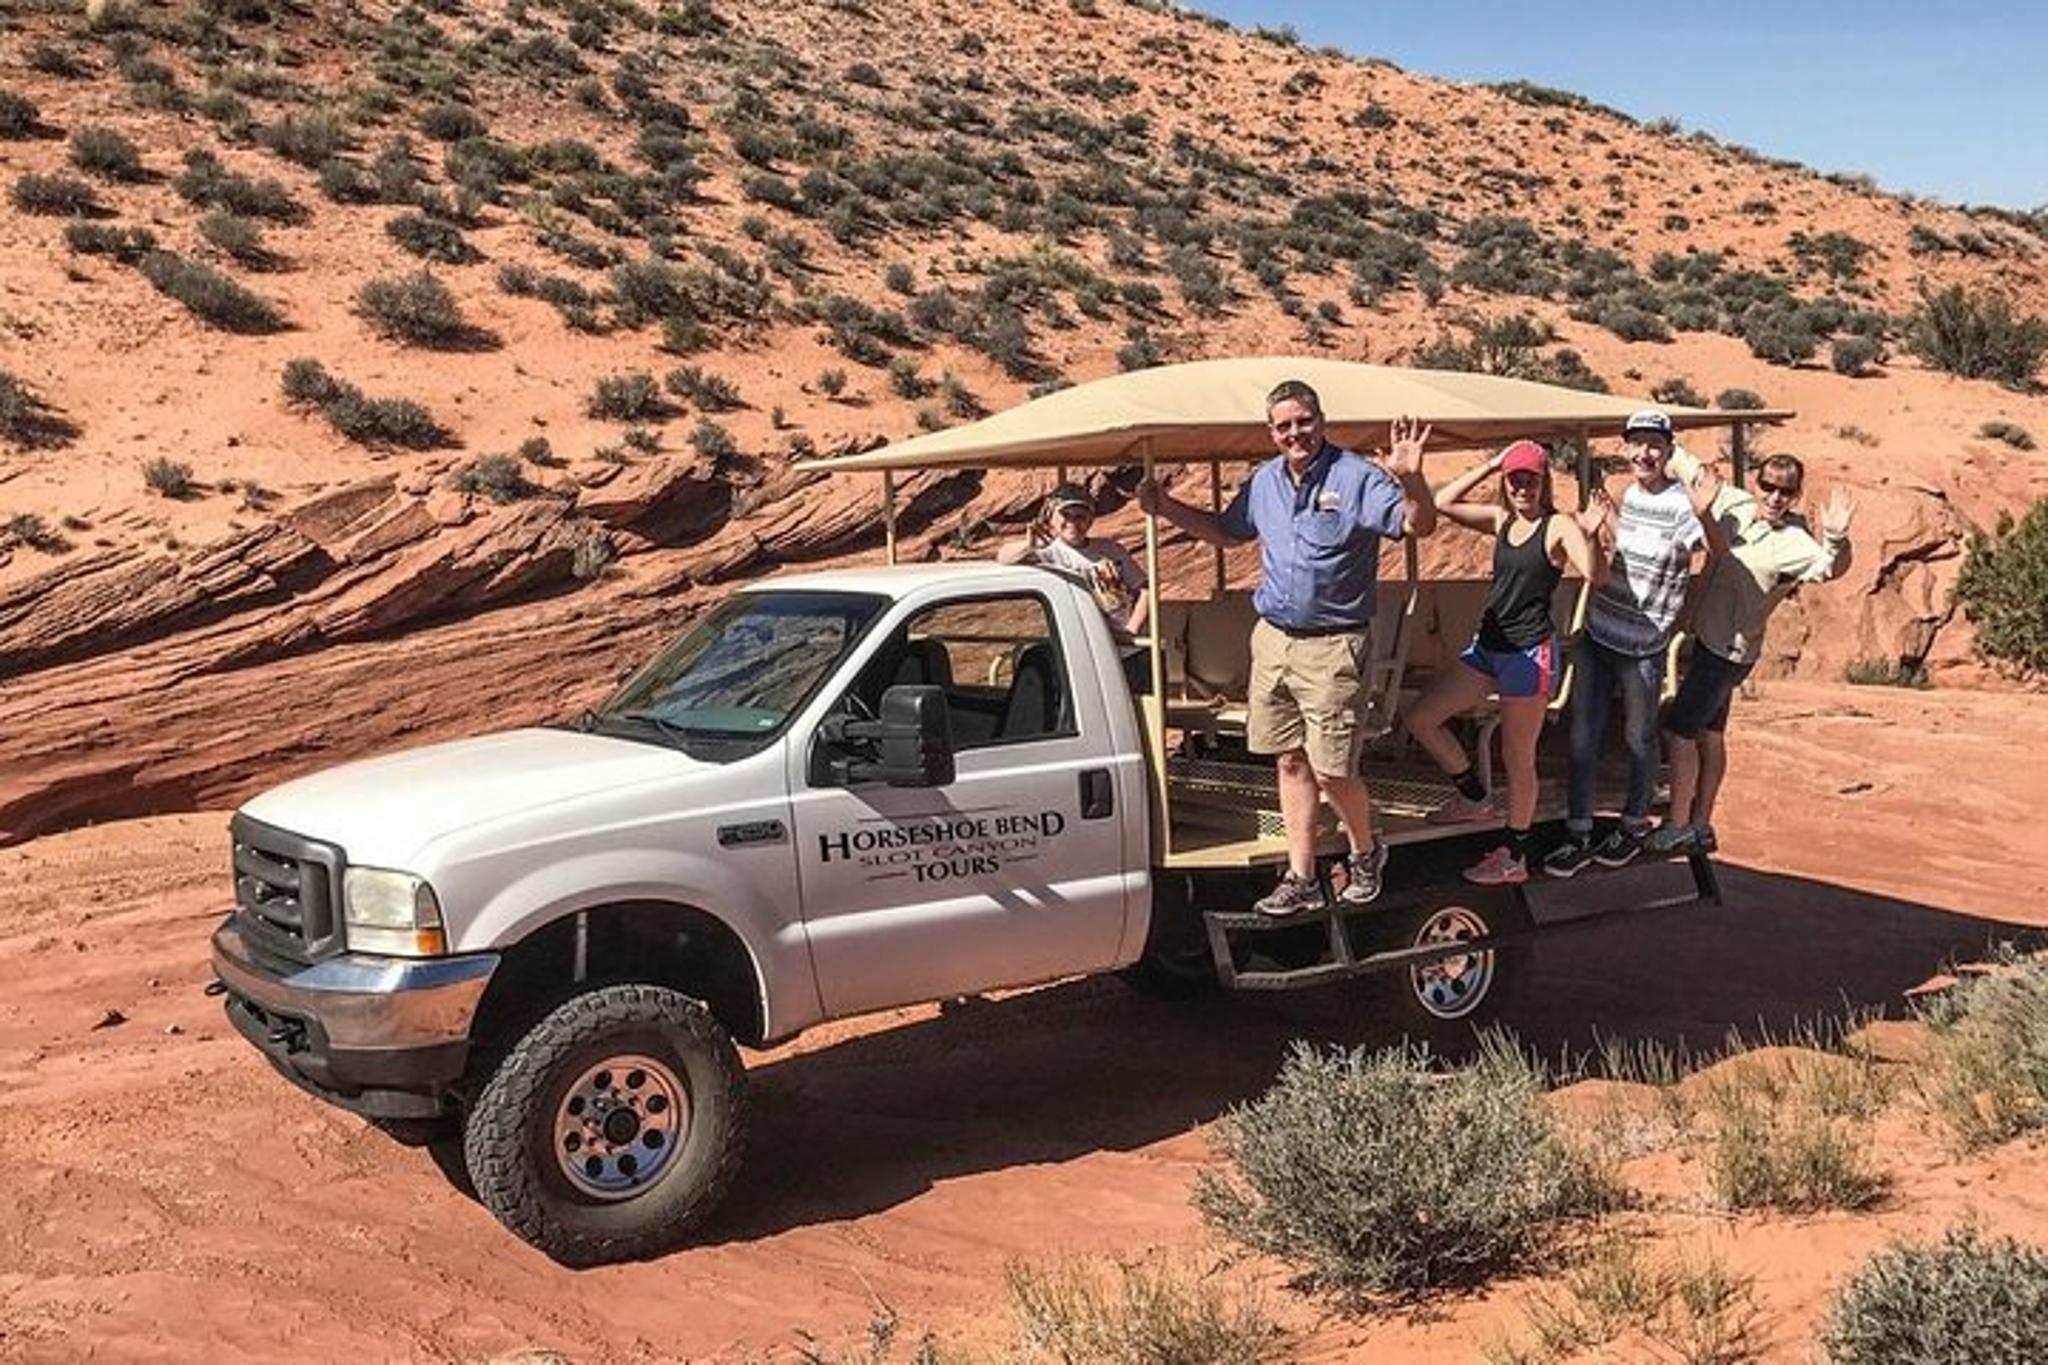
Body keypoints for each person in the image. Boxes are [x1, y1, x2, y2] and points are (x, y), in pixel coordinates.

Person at [1137, 380, 1437, 915]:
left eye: (1304, 421)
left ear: (1320, 421)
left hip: (1334, 643)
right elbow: (1228, 533)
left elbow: (1418, 525)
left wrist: (1413, 480)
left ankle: (1366, 851)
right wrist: (1165, 507)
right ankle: (1301, 875)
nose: (1295, 433)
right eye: (1284, 426)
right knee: (1290, 760)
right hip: (1273, 639)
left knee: (1333, 770)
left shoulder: (1356, 477)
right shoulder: (1265, 483)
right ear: (1271, 432)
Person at [1406, 439, 1600, 885]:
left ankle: (1514, 853)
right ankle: (1474, 797)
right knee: (1423, 719)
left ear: (1544, 480)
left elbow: (1592, 574)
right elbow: (1442, 502)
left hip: (1528, 653)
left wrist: (1586, 532)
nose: (1522, 486)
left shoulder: (1558, 527)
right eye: (1515, 478)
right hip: (1490, 646)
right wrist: (1491, 463)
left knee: (1517, 757)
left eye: (1530, 478)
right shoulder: (1501, 520)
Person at [1543, 409, 1724, 878]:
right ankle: (1580, 831)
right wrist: (1595, 528)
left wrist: (1681, 618)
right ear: (1626, 449)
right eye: (1636, 444)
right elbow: (1618, 551)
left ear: (1667, 451)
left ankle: (1633, 824)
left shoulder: (1684, 506)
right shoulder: (1626, 496)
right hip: (1600, 633)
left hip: (1643, 644)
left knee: (1639, 738)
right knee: (1582, 735)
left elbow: (1712, 556)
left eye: (1654, 445)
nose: (1644, 453)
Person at [1646, 450, 1855, 855]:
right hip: (1710, 639)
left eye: (1786, 491)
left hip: (1726, 652)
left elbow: (1829, 566)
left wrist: (1837, 537)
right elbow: (1691, 469)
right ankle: (1702, 823)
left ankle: (1677, 825)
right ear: (1757, 484)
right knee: (1711, 731)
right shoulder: (1736, 504)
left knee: (1680, 730)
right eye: (1769, 487)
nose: (1775, 497)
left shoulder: (1793, 542)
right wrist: (1662, 449)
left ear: (1796, 496)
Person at [997, 481, 1150, 641]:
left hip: (1123, 645)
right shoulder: (1046, 552)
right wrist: (1028, 545)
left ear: (1090, 519)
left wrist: (1132, 630)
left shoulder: (1111, 550)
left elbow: (1145, 589)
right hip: (1077, 644)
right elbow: (1004, 557)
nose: (1073, 523)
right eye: (1066, 515)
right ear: (1051, 517)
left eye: (1080, 516)